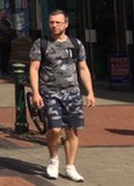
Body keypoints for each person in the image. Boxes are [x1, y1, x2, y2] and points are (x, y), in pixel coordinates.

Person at [29, 9, 95, 183]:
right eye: (51, 22)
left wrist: (90, 92)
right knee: (55, 129)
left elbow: (82, 68)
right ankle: (53, 159)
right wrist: (36, 92)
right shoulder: (41, 43)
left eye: (58, 22)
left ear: (66, 24)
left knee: (72, 130)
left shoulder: (75, 44)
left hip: (72, 93)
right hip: (50, 92)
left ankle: (70, 166)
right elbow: (34, 69)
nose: (54, 25)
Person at [0, 10, 16, 76]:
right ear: (0, 14)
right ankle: (4, 70)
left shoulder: (7, 22)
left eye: (5, 14)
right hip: (1, 42)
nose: (4, 15)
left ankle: (6, 69)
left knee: (7, 57)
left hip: (7, 42)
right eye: (3, 14)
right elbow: (3, 30)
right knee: (3, 57)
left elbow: (11, 29)